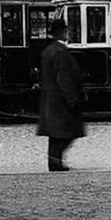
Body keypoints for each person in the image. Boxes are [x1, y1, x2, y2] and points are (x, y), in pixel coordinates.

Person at [36, 17, 84, 172]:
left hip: (51, 99)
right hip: (60, 100)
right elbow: (64, 78)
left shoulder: (49, 50)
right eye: (65, 30)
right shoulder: (60, 52)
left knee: (56, 134)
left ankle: (55, 161)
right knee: (67, 131)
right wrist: (72, 99)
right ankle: (56, 162)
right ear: (61, 32)